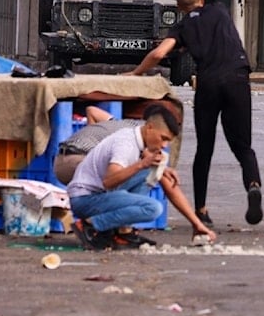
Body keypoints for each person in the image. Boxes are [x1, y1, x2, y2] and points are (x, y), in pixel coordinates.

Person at [126, 0, 263, 228]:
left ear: (179, 7)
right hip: (237, 79)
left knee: (205, 148)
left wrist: (135, 73)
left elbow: (158, 54)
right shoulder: (219, 9)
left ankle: (201, 209)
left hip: (208, 83)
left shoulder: (181, 27)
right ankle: (253, 185)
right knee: (244, 147)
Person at [55, 102, 217, 247]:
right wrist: (141, 164)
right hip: (85, 198)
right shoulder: (126, 144)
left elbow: (170, 186)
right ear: (150, 127)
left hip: (97, 192)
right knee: (152, 208)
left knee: (150, 172)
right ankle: (91, 225)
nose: (164, 145)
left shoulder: (138, 138)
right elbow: (108, 181)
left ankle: (122, 232)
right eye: (163, 138)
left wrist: (196, 224)